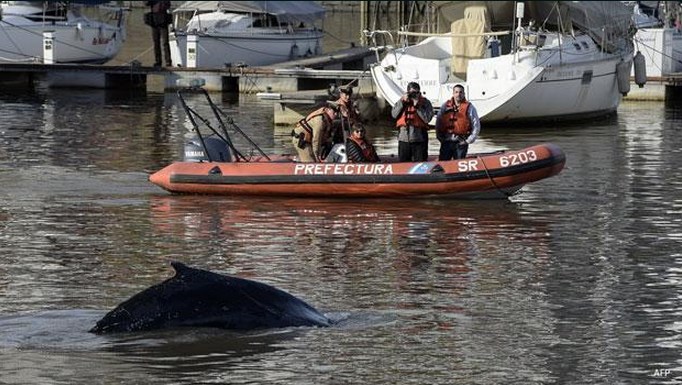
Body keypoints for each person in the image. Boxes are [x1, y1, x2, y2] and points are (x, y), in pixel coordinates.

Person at [435, 84, 480, 160]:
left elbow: (476, 125)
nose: (458, 94)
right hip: (446, 141)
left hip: (461, 142)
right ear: (453, 93)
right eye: (456, 92)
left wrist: (468, 141)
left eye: (460, 92)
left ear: (464, 94)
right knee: (443, 162)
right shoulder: (445, 106)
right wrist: (439, 136)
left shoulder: (470, 108)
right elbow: (438, 121)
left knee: (459, 162)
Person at [391, 82, 434, 162]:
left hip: (419, 139)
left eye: (417, 93)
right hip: (404, 139)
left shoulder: (425, 103)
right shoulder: (402, 102)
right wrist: (402, 102)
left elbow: (427, 119)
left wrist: (417, 107)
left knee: (421, 162)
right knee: (403, 163)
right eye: (412, 93)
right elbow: (394, 114)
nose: (414, 95)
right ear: (407, 92)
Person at [146, 1, 172, 67]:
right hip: (154, 21)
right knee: (156, 43)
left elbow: (168, 5)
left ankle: (168, 61)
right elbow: (146, 3)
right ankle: (158, 61)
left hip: (163, 20)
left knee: (165, 42)